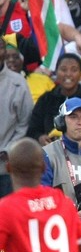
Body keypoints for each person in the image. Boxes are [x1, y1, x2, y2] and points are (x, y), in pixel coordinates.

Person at [25, 53, 81, 146]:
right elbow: (32, 130)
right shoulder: (46, 100)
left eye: (74, 70)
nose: (68, 74)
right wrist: (40, 137)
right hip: (51, 155)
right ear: (56, 72)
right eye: (63, 69)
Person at [0, 35, 33, 199]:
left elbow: (25, 122)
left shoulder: (18, 83)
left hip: (6, 166)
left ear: (4, 51)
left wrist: (8, 149)